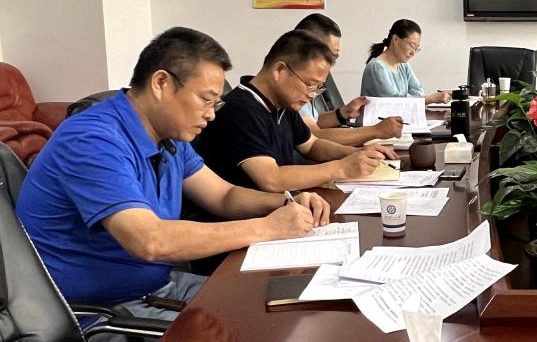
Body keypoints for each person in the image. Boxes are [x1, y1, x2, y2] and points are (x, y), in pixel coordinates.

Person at [15, 27, 330, 323]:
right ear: (161, 83)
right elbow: (149, 240)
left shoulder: (169, 137)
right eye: (205, 100)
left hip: (157, 288)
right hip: (104, 313)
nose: (211, 114)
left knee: (290, 307)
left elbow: (224, 196)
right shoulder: (93, 140)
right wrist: (266, 228)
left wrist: (284, 202)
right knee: (259, 326)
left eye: (215, 103)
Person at [193, 30, 397, 194]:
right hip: (241, 220)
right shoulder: (239, 110)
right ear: (279, 70)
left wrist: (355, 154)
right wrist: (341, 168)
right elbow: (270, 179)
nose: (312, 95)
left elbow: (312, 145)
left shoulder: (282, 105)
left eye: (318, 88)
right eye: (310, 84)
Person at [293, 13, 403, 144]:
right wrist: (376, 131)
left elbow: (311, 122)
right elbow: (313, 136)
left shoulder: (307, 80)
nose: (331, 64)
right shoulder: (294, 83)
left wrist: (344, 112)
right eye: (330, 56)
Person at [361, 19, 451, 103]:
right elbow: (393, 101)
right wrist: (430, 99)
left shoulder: (404, 65)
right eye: (412, 45)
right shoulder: (376, 67)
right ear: (395, 39)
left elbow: (418, 91)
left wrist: (413, 99)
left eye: (416, 48)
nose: (413, 53)